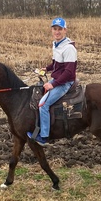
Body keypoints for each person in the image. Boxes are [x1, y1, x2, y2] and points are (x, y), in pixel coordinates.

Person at [27, 17, 77, 146]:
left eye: (60, 29)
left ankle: (44, 137)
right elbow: (56, 64)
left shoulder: (69, 49)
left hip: (64, 82)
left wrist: (52, 84)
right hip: (57, 79)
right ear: (52, 30)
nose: (57, 32)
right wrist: (47, 68)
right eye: (55, 29)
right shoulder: (56, 44)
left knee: (43, 105)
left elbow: (68, 72)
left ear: (65, 30)